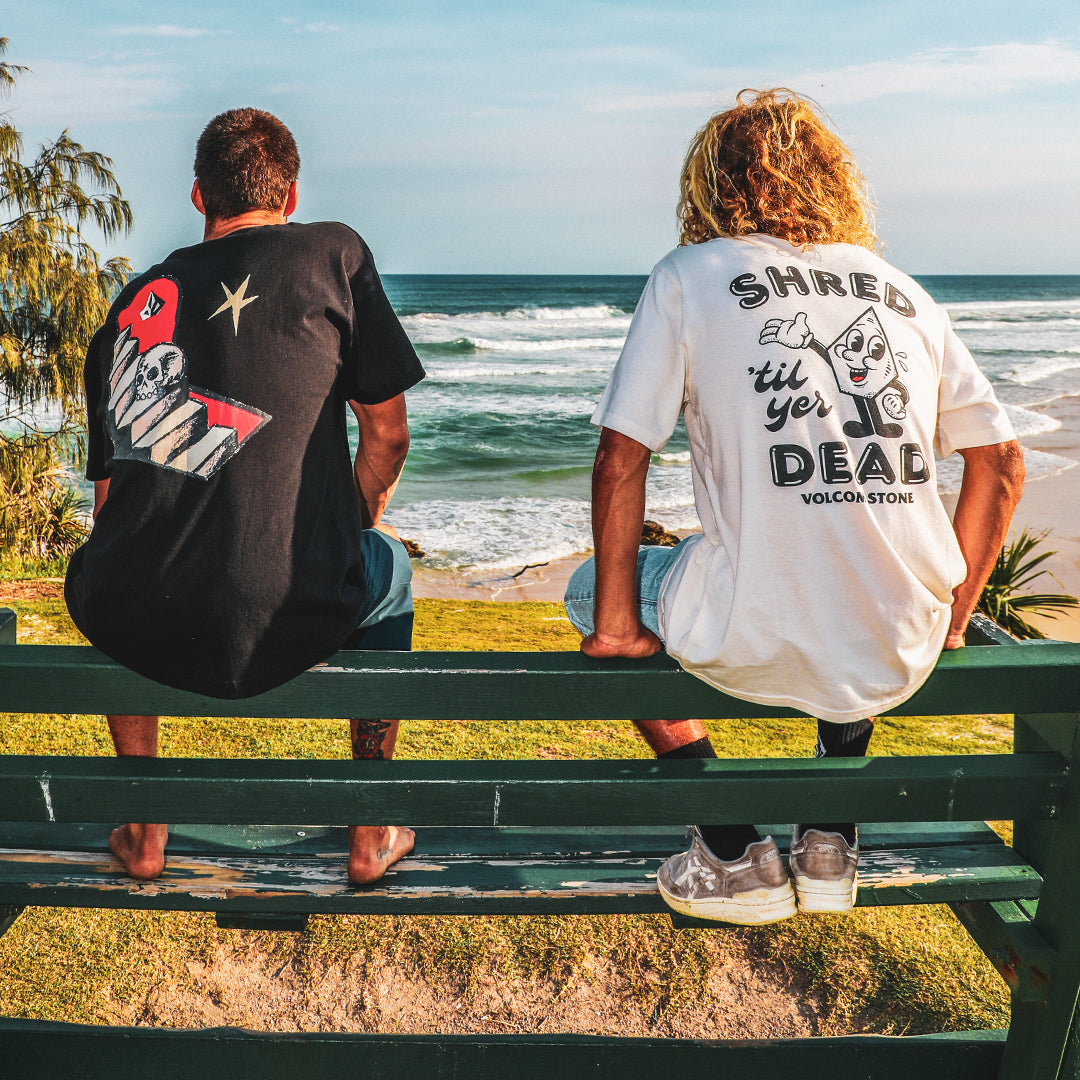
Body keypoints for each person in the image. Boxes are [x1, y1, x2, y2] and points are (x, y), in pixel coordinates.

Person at [563, 89, 1024, 925]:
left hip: (751, 626)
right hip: (898, 636)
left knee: (591, 587)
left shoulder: (689, 276)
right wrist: (952, 615)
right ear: (832, 179)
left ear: (710, 184)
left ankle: (733, 848)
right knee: (852, 549)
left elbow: (621, 458)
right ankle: (827, 839)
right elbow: (1000, 461)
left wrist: (619, 628)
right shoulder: (901, 291)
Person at [64, 108, 425, 886]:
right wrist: (351, 529)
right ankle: (371, 831)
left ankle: (145, 827)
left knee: (115, 570)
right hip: (296, 604)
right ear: (290, 195)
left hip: (142, 610)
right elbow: (389, 437)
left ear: (199, 196)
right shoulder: (334, 256)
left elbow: (110, 508)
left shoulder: (131, 306)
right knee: (390, 567)